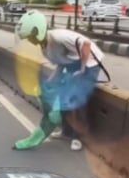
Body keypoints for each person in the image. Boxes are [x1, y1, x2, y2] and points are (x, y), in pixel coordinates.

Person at [12, 10, 108, 152]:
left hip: (89, 63)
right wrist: (51, 81)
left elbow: (86, 44)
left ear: (38, 31)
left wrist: (82, 69)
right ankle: (66, 132)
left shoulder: (58, 37)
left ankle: (78, 138)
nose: (30, 40)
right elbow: (61, 63)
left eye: (31, 36)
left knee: (76, 98)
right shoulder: (44, 48)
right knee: (61, 97)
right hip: (73, 65)